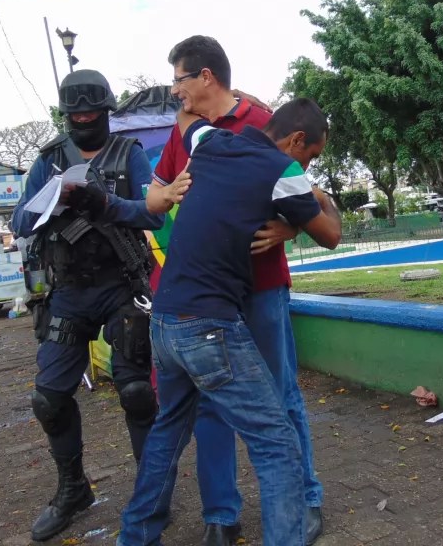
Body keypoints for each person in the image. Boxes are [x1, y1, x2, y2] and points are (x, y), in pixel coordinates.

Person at [119, 98, 342, 546]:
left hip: (164, 319)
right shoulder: (285, 173)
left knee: (169, 430)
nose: (308, 163)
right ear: (297, 140)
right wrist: (320, 194)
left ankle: (135, 537)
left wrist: (188, 104)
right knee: (276, 442)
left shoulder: (212, 142)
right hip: (210, 326)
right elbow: (332, 235)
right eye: (311, 155)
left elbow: (187, 121)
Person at [11, 69, 164, 543]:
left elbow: (153, 213)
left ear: (106, 113)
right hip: (69, 292)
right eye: (75, 116)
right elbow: (20, 220)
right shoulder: (49, 159)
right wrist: (51, 202)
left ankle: (150, 493)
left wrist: (106, 203)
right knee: (49, 398)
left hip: (122, 284)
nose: (83, 121)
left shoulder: (129, 154)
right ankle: (74, 488)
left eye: (91, 114)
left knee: (136, 390)